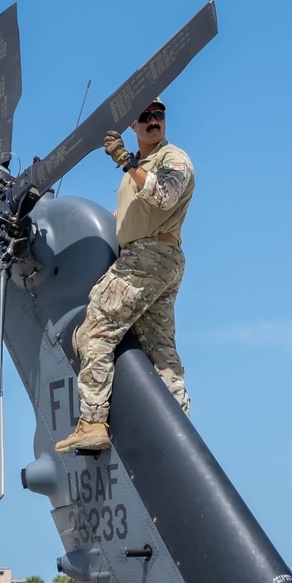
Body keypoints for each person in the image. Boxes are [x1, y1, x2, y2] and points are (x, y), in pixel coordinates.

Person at [55, 97, 194, 453]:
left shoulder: (171, 159)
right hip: (156, 260)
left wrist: (124, 161)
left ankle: (92, 422)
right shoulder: (144, 165)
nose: (153, 121)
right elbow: (132, 217)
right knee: (159, 346)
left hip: (148, 258)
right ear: (133, 125)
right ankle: (177, 427)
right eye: (145, 116)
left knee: (97, 327)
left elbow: (163, 196)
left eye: (158, 115)